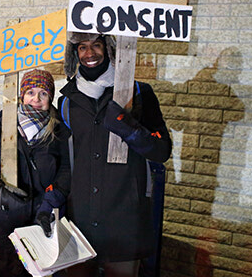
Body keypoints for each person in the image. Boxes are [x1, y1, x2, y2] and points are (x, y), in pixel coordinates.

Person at [59, 33, 172, 277]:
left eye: (96, 45)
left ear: (108, 48)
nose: (90, 54)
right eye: (82, 47)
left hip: (124, 222)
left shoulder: (140, 94)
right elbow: (64, 161)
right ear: (74, 53)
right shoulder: (67, 101)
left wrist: (125, 125)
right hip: (80, 223)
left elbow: (162, 151)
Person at [0, 69, 69, 277]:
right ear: (22, 94)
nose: (36, 99)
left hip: (38, 227)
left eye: (43, 93)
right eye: (31, 92)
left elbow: (67, 171)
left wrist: (52, 199)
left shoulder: (59, 132)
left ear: (50, 97)